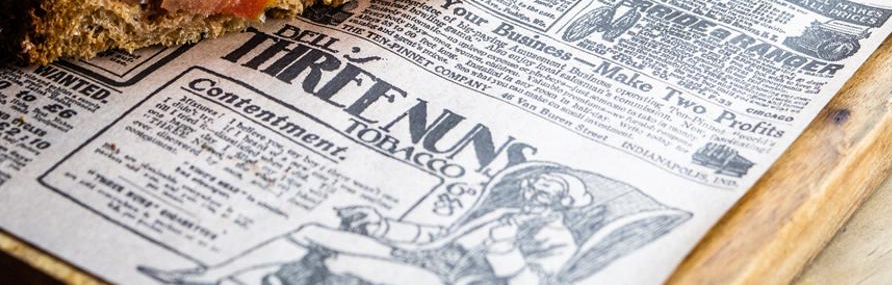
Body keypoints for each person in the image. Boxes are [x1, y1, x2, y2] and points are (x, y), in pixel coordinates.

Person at [163, 170, 591, 285]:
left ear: (560, 203)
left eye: (544, 193)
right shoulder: (500, 215)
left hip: (439, 278)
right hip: (415, 255)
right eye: (532, 188)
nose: (531, 195)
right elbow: (433, 236)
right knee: (313, 230)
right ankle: (208, 275)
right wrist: (383, 225)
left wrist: (505, 251)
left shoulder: (556, 239)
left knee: (336, 259)